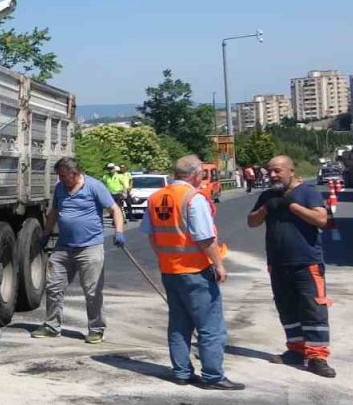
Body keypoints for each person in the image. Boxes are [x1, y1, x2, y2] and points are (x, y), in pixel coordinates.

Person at [141, 155, 241, 390]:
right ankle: (213, 376)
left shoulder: (156, 198)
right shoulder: (192, 199)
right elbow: (205, 237)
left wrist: (166, 258)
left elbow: (151, 235)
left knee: (179, 324)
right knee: (210, 326)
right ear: (196, 174)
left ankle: (182, 373)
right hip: (196, 271)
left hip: (170, 271)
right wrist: (219, 264)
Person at [247, 155, 335, 378]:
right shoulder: (268, 196)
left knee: (313, 309)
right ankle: (296, 350)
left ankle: (317, 357)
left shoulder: (307, 193)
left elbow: (321, 220)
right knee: (286, 308)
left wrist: (292, 205)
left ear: (291, 171)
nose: (272, 175)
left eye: (277, 171)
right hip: (277, 263)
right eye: (269, 171)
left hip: (307, 263)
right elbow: (252, 222)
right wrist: (266, 208)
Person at [32, 157, 125, 343]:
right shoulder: (60, 188)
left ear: (75, 174)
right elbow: (54, 213)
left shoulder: (94, 186)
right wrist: (45, 235)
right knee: (53, 286)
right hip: (64, 247)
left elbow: (115, 209)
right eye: (59, 176)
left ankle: (96, 329)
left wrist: (119, 232)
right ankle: (52, 326)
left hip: (90, 247)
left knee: (92, 291)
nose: (61, 179)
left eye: (63, 176)